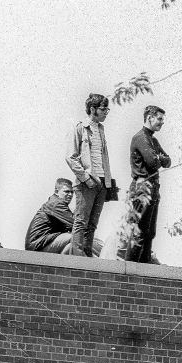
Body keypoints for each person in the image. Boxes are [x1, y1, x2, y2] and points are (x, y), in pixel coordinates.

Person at [65, 93, 115, 256]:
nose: (106, 112)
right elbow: (70, 157)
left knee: (92, 224)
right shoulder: (79, 127)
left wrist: (107, 183)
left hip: (102, 183)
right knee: (81, 222)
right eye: (103, 109)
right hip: (86, 183)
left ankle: (86, 257)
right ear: (92, 109)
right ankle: (77, 259)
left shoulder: (101, 129)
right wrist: (86, 178)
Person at [125, 104, 171, 262]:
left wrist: (160, 158)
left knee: (149, 232)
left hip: (153, 189)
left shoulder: (153, 140)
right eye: (159, 119)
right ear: (149, 118)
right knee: (138, 232)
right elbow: (152, 162)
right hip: (142, 188)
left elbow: (168, 161)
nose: (162, 122)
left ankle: (144, 271)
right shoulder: (140, 138)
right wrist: (158, 158)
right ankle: (129, 269)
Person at [25, 178, 76, 253]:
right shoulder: (56, 204)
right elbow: (76, 224)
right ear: (56, 191)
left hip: (41, 243)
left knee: (72, 246)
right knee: (76, 238)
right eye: (67, 192)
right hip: (37, 245)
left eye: (72, 192)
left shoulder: (58, 204)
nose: (70, 195)